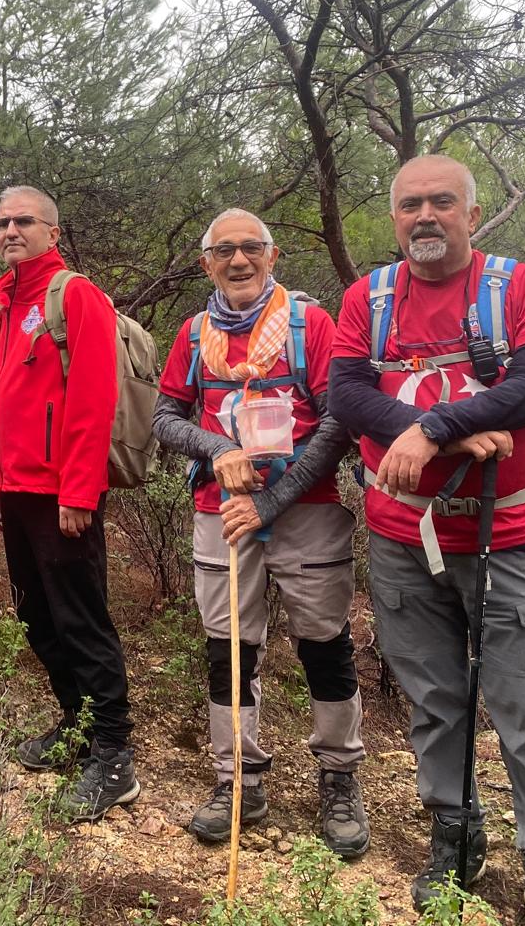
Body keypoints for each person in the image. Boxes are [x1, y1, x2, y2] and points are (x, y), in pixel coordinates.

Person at [330, 155, 525, 925]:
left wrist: (439, 425)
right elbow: (346, 393)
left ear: (471, 214)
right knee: (436, 703)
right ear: (393, 219)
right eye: (410, 204)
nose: (425, 216)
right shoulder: (369, 299)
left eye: (441, 202)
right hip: (401, 539)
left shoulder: (520, 287)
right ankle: (455, 835)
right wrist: (439, 441)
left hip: (506, 537)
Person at [152, 209, 367, 858]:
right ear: (206, 263)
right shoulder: (194, 334)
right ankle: (237, 779)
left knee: (324, 646)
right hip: (224, 513)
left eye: (251, 249)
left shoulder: (310, 326)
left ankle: (340, 777)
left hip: (306, 510)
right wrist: (215, 447)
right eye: (224, 251)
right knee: (229, 651)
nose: (238, 260)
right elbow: (165, 416)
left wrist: (275, 498)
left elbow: (339, 423)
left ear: (272, 258)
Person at [0, 185, 135, 821]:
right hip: (15, 491)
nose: (11, 230)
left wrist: (79, 490)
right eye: (2, 223)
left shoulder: (75, 295)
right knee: (36, 618)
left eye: (24, 221)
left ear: (52, 231)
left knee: (80, 620)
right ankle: (75, 728)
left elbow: (93, 398)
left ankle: (113, 755)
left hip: (61, 494)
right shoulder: (3, 304)